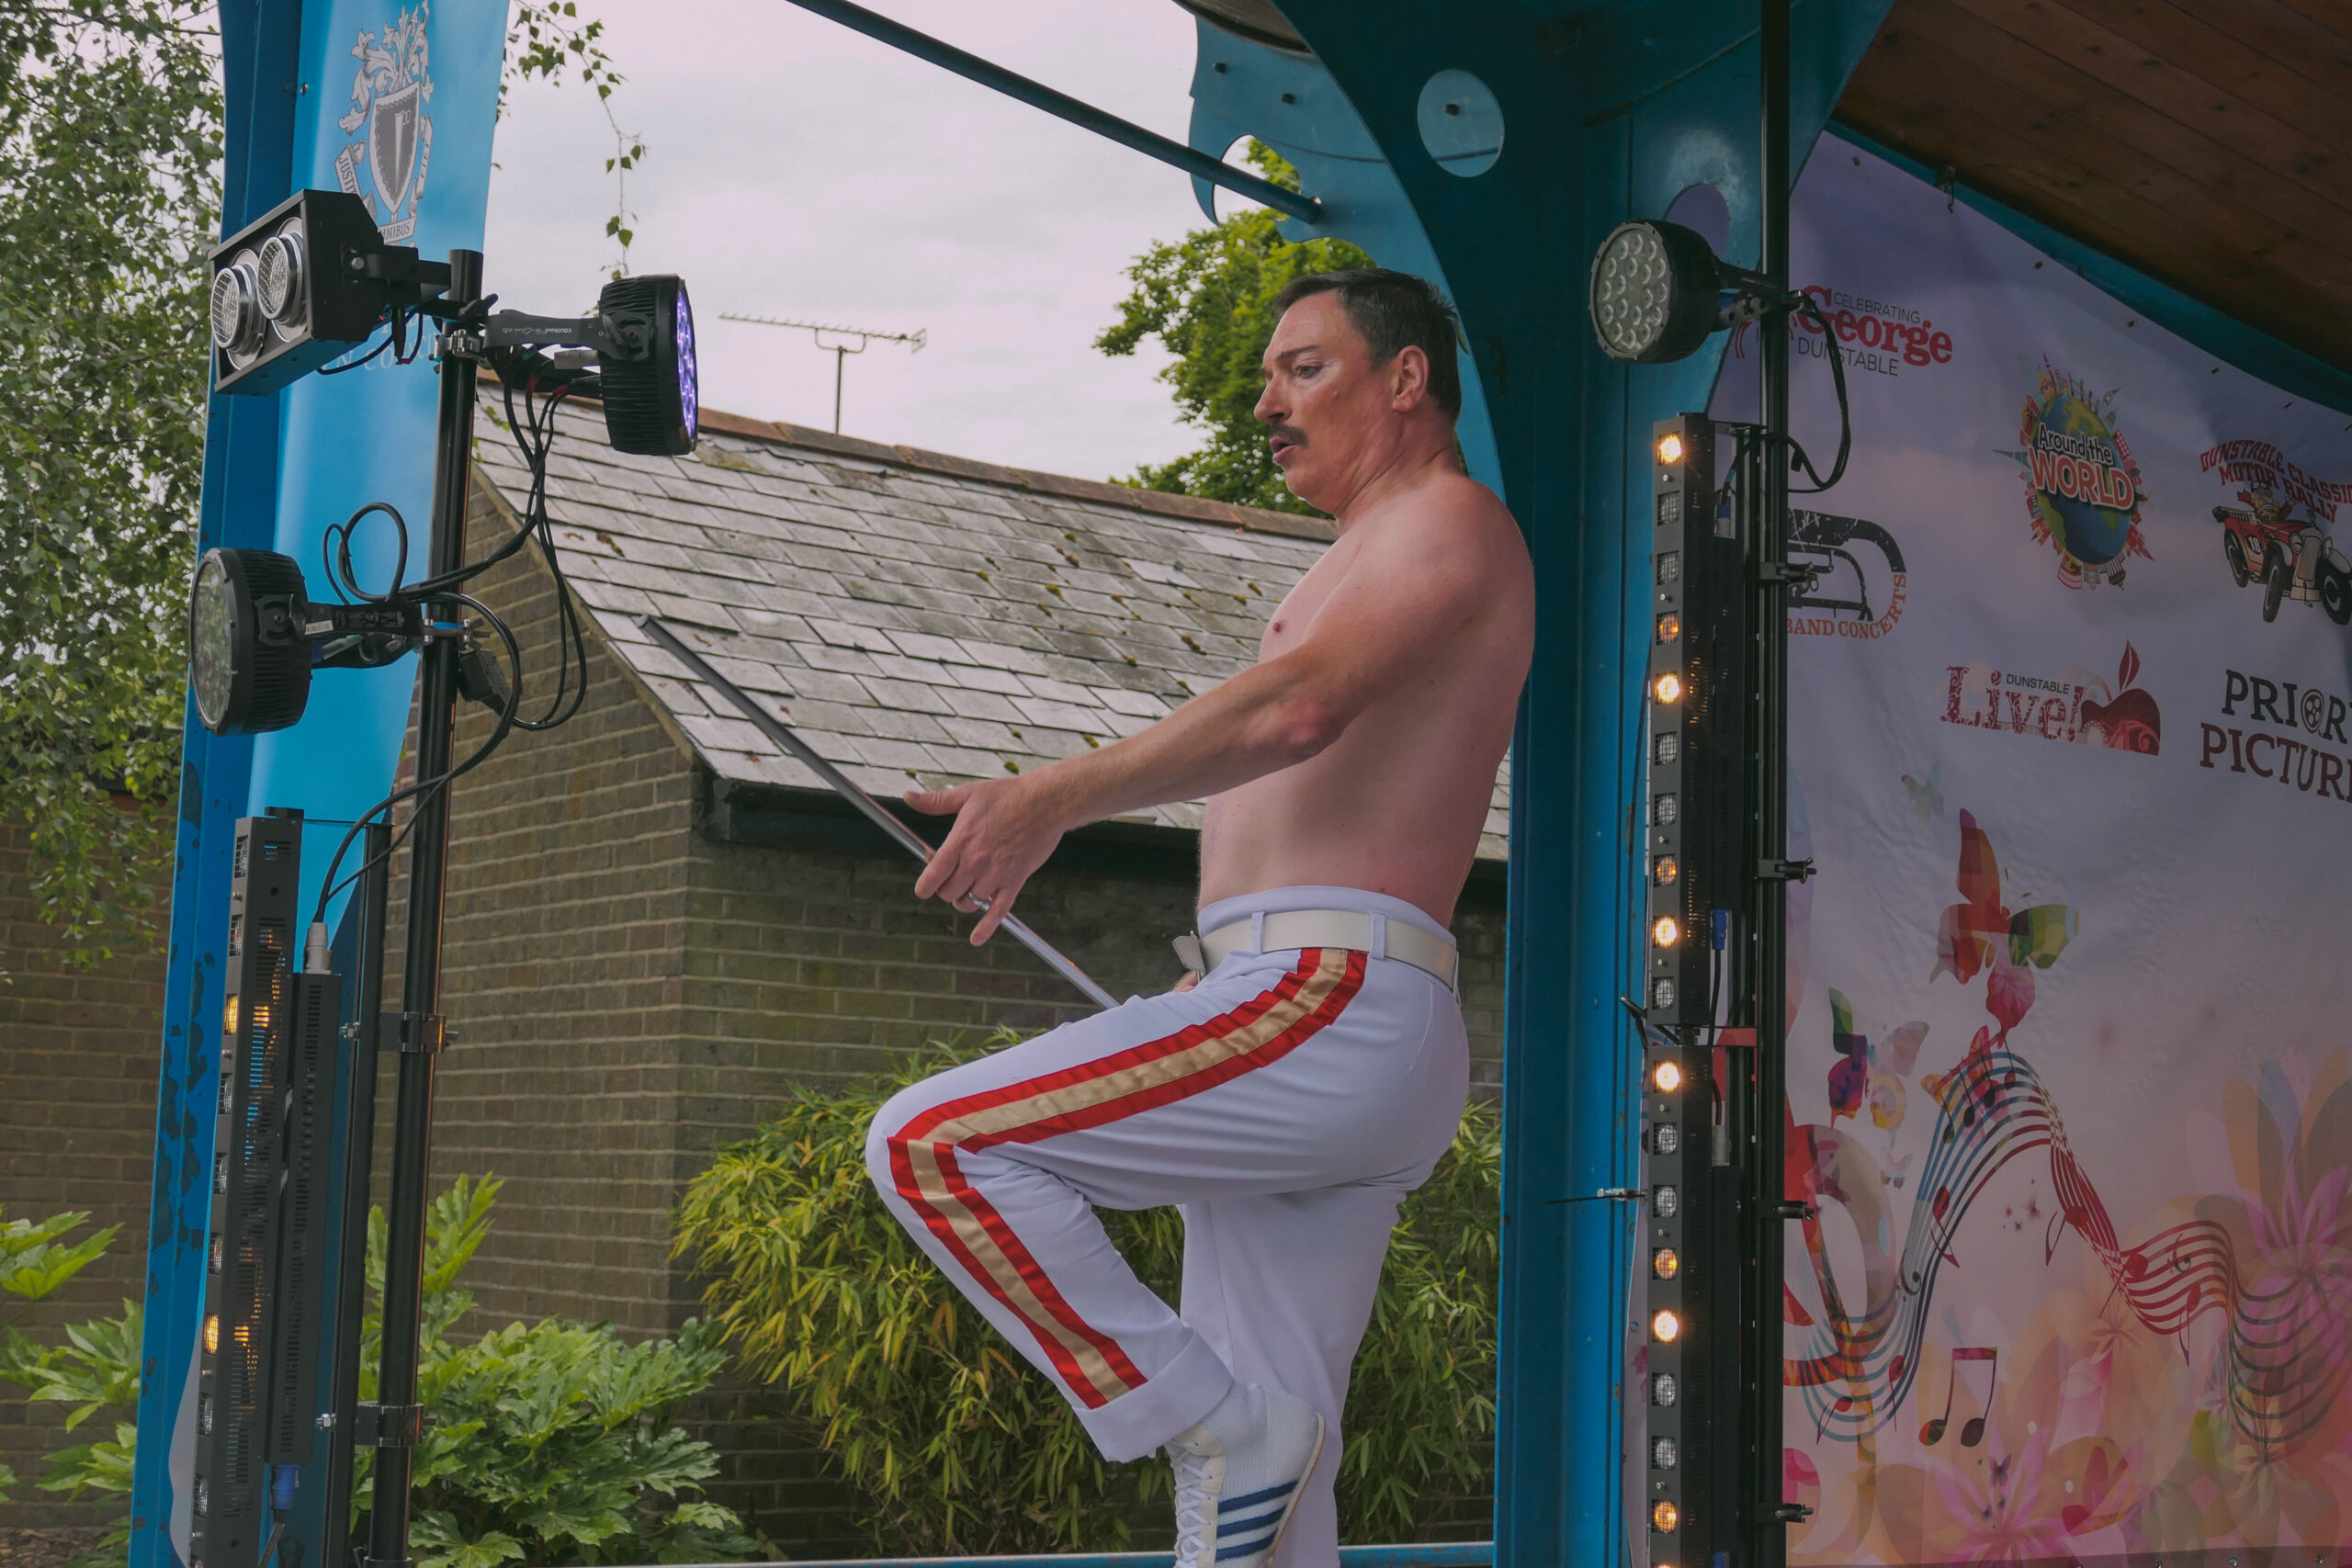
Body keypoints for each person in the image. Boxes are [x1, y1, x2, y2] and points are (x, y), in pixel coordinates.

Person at [865, 268, 1534, 1568]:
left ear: (1407, 379)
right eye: (1268, 376)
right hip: (1314, 1004)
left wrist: (1052, 798)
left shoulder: (1448, 521)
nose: (1267, 403)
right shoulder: (1365, 552)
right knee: (1266, 1509)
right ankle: (1235, 1439)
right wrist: (1225, 976)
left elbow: (1298, 712)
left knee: (934, 1145)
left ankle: (1205, 1423)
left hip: (1329, 998)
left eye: (1305, 369)